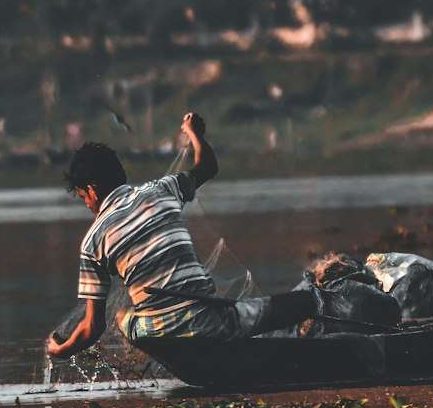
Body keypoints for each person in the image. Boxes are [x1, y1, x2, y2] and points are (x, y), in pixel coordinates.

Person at [47, 112, 329, 359]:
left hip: (153, 333)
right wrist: (195, 134)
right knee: (302, 302)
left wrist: (61, 350)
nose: (87, 204)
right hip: (211, 323)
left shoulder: (93, 241)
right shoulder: (163, 189)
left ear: (93, 190)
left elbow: (92, 327)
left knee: (122, 317)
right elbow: (207, 166)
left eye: (84, 196)